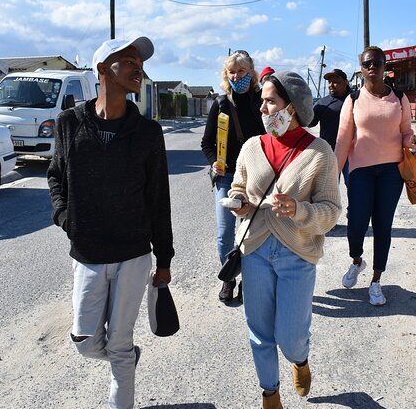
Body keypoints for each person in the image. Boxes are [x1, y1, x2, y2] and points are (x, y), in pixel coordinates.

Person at [47, 36, 174, 409]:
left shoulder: (148, 133)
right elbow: (55, 176)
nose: (139, 68)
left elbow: (158, 200)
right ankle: (127, 359)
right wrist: (65, 216)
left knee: (118, 343)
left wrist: (163, 260)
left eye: (141, 63)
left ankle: (124, 366)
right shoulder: (69, 123)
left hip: (134, 254)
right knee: (85, 342)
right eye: (129, 60)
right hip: (87, 252)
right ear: (102, 69)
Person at [228, 71, 341, 408]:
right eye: (262, 102)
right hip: (256, 250)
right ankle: (270, 392)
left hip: (297, 253)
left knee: (290, 337)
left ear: (291, 108)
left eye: (270, 102)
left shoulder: (320, 153)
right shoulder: (251, 147)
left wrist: (298, 209)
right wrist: (239, 203)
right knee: (260, 331)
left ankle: (300, 360)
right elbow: (238, 187)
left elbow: (332, 211)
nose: (263, 109)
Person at [334, 46, 416, 306]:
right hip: (360, 170)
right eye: (367, 64)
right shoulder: (352, 100)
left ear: (385, 67)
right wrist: (331, 177)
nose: (372, 67)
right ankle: (356, 261)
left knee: (383, 225)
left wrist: (413, 140)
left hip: (391, 172)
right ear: (361, 69)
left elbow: (406, 131)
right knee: (356, 223)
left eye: (377, 63)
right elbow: (342, 141)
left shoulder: (399, 98)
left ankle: (375, 281)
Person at [201, 50, 265, 303]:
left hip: (257, 177)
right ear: (226, 75)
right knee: (224, 234)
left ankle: (248, 280)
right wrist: (213, 163)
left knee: (249, 232)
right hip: (227, 178)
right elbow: (207, 143)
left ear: (251, 72)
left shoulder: (263, 101)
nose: (238, 75)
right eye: (233, 71)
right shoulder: (220, 104)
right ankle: (229, 278)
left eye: (242, 70)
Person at [308, 68, 351, 217]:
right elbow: (310, 123)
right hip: (329, 154)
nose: (332, 85)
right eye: (329, 82)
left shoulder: (356, 99)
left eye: (336, 82)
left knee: (354, 187)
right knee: (329, 189)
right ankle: (330, 219)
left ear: (345, 83)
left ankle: (354, 216)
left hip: (352, 154)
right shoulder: (323, 103)